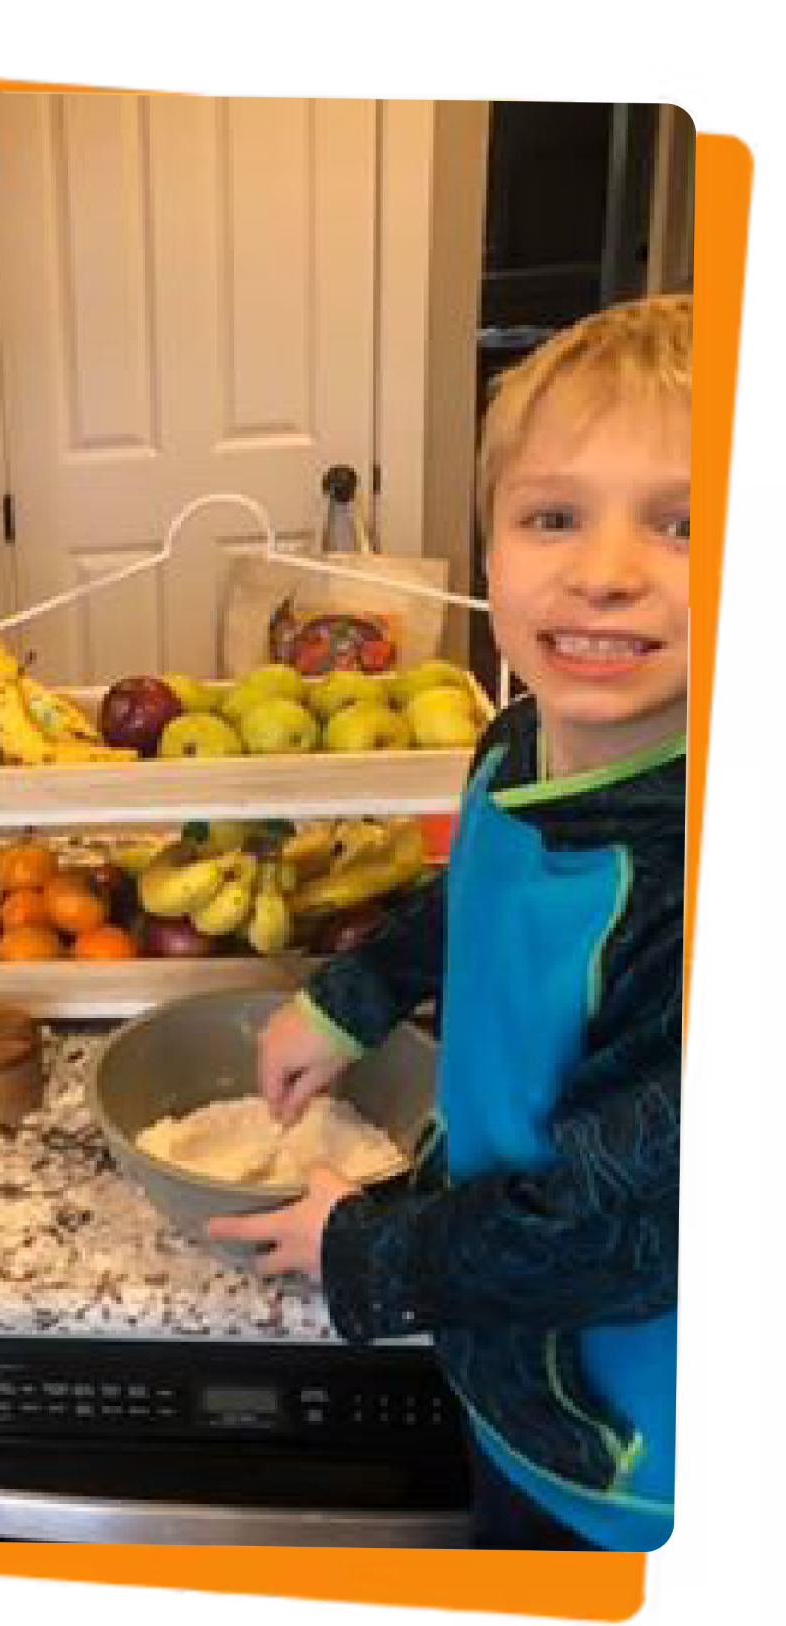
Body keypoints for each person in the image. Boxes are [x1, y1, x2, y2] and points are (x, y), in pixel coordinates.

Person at [209, 295, 688, 1552]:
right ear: (490, 552)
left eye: (684, 523)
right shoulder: (519, 732)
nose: (606, 570)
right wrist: (351, 996)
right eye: (552, 516)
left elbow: (615, 1231)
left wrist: (361, 1248)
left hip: (618, 1454)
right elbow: (476, 890)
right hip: (503, 1361)